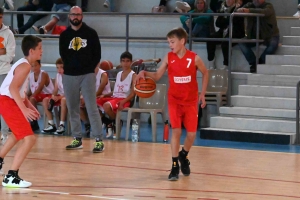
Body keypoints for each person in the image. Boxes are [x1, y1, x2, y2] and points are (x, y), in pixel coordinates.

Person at [135, 27, 208, 181]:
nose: (170, 45)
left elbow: (205, 72)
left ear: (182, 41)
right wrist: (144, 73)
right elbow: (157, 75)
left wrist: (202, 94)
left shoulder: (194, 58)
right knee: (176, 131)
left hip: (190, 101)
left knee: (192, 134)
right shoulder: (169, 57)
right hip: (174, 100)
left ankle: (183, 155)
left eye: (172, 42)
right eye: (168, 42)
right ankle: (175, 165)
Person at [59, 6, 104, 153]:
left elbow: (97, 54)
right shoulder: (64, 35)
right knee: (72, 107)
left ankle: (98, 140)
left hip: (87, 74)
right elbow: (63, 54)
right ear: (69, 16)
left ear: (82, 16)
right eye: (73, 14)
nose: (75, 17)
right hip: (70, 75)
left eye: (78, 14)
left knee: (91, 107)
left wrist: (90, 68)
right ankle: (77, 138)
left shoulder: (91, 33)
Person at [0, 35, 42, 188]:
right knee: (29, 139)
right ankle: (11, 176)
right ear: (31, 51)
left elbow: (18, 91)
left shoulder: (24, 64)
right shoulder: (25, 66)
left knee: (17, 135)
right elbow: (12, 89)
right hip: (7, 101)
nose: (42, 52)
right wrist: (23, 109)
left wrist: (29, 107)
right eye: (40, 48)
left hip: (6, 100)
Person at [97, 51, 136, 139]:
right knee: (93, 102)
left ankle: (116, 122)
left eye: (127, 61)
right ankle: (110, 122)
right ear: (120, 62)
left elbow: (133, 93)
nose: (125, 63)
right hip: (114, 97)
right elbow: (115, 90)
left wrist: (123, 102)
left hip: (124, 99)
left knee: (107, 106)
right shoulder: (118, 74)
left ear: (131, 62)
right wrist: (105, 95)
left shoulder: (133, 75)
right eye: (123, 61)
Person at [237, 0, 279, 73]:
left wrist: (248, 11)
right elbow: (238, 11)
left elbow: (264, 12)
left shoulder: (269, 6)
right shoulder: (249, 5)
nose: (256, 0)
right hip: (254, 35)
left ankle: (261, 61)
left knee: (273, 45)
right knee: (241, 42)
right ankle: (253, 62)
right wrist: (239, 8)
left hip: (269, 35)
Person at [206, 0, 245, 70]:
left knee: (226, 42)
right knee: (210, 38)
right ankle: (211, 62)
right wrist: (227, 20)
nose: (228, 1)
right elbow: (217, 23)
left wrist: (225, 20)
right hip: (223, 31)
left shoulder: (237, 8)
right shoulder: (223, 8)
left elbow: (236, 22)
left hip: (236, 32)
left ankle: (226, 64)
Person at [80, 64, 111, 137]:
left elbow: (100, 91)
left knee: (92, 104)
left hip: (103, 97)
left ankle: (105, 122)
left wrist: (88, 98)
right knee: (78, 103)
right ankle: (87, 124)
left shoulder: (103, 74)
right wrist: (82, 96)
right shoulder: (87, 74)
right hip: (92, 97)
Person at [0, 7, 16, 145]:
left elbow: (9, 56)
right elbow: (4, 54)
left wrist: (4, 53)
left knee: (3, 106)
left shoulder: (8, 34)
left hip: (4, 72)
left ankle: (5, 134)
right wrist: (1, 51)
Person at [42, 58, 68, 135]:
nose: (59, 69)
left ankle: (62, 125)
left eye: (61, 67)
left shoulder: (69, 76)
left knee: (63, 100)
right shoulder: (58, 75)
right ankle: (51, 124)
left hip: (69, 96)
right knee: (45, 100)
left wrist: (59, 97)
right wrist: (53, 95)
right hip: (61, 95)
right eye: (57, 67)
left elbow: (70, 91)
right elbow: (56, 89)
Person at [27, 60, 54, 131]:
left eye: (36, 65)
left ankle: (50, 123)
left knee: (31, 98)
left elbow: (40, 87)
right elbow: (32, 89)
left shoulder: (44, 74)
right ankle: (34, 122)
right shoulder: (31, 75)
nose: (34, 67)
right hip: (39, 95)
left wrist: (31, 96)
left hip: (48, 94)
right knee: (30, 99)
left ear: (40, 65)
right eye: (32, 66)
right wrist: (26, 96)